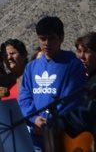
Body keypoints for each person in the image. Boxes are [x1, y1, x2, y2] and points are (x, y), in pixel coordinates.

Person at [18, 16, 87, 148]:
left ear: (61, 38)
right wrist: (34, 120)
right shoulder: (31, 67)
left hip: (63, 138)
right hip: (36, 138)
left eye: (51, 38)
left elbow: (70, 100)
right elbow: (25, 99)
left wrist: (49, 124)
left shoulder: (73, 65)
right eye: (42, 38)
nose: (47, 43)